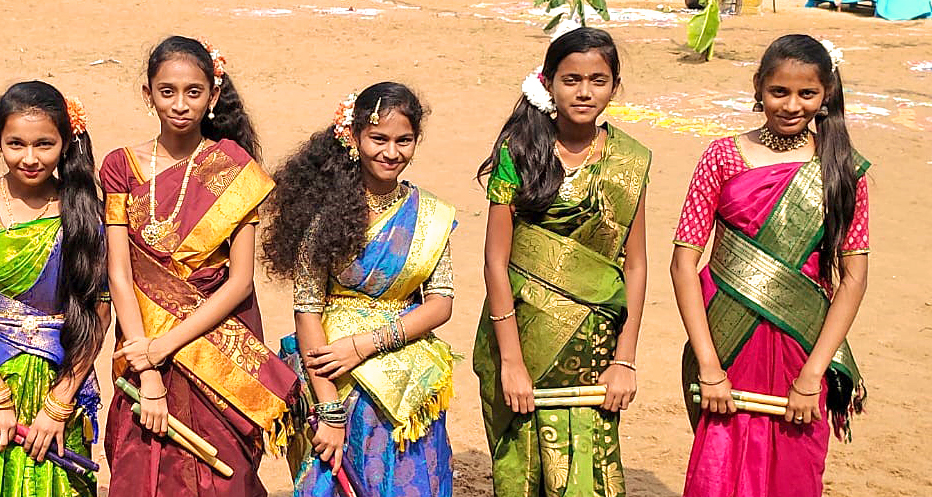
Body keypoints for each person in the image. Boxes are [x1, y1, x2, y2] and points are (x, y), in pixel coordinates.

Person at [672, 34, 870, 497]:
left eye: (807, 93)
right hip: (727, 342)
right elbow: (683, 264)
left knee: (795, 475)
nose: (791, 105)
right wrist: (708, 367)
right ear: (758, 87)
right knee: (717, 474)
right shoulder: (721, 157)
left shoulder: (842, 169)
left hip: (803, 350)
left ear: (826, 96)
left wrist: (812, 376)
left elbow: (854, 278)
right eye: (779, 92)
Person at [102, 35, 297, 497]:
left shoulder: (234, 169)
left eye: (194, 92)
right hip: (140, 339)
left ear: (213, 94)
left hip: (216, 345)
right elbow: (120, 274)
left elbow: (239, 282)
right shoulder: (119, 166)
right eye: (167, 91)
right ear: (147, 93)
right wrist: (147, 368)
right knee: (143, 468)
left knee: (225, 475)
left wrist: (165, 345)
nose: (180, 104)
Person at [471, 26, 650, 496]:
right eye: (571, 79)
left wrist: (625, 360)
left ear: (615, 85)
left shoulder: (630, 162)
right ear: (548, 82)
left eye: (598, 79)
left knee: (589, 470)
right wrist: (510, 360)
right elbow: (495, 260)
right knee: (522, 468)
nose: (585, 91)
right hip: (523, 338)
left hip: (594, 346)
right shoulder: (519, 153)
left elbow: (634, 265)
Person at [262, 82, 457, 496]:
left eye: (404, 140)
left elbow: (441, 302)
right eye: (378, 139)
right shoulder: (323, 215)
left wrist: (369, 343)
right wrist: (329, 412)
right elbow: (307, 310)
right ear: (353, 138)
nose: (391, 152)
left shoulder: (429, 215)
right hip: (333, 376)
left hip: (407, 380)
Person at [0, 81, 107, 497]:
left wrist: (59, 403)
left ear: (66, 142)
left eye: (44, 145)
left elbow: (99, 314)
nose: (30, 158)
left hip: (62, 383)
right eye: (16, 144)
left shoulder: (85, 211)